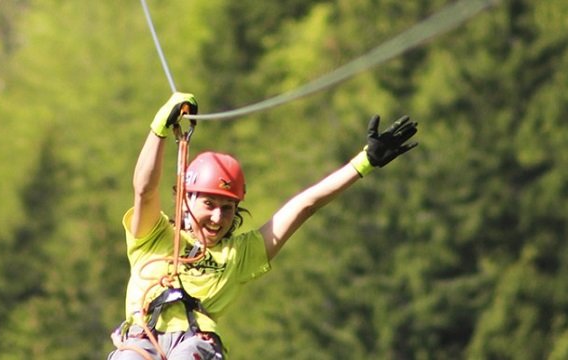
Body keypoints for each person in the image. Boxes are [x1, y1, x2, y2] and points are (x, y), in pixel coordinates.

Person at [108, 93, 418, 360]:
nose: (218, 217)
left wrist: (364, 163)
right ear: (186, 199)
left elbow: (304, 206)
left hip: (193, 346)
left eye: (227, 208)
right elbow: (145, 190)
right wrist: (158, 131)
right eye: (209, 205)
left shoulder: (240, 254)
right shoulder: (154, 236)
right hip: (139, 343)